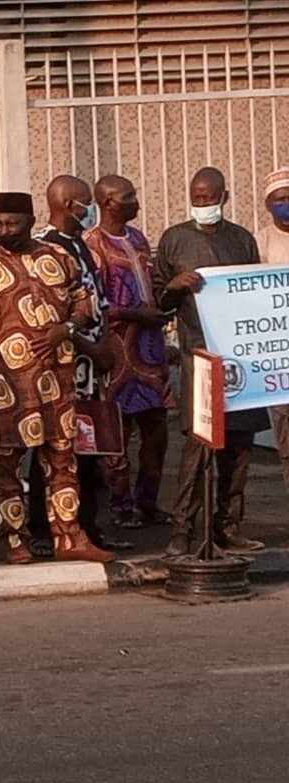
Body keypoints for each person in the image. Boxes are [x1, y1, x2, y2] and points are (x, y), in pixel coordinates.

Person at [0, 191, 114, 565]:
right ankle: (15, 540)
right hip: (4, 386)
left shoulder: (58, 257)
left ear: (30, 222)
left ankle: (68, 537)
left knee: (63, 462)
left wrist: (68, 328)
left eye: (11, 223)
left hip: (57, 383)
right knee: (5, 469)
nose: (3, 230)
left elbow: (84, 303)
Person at [154, 167, 267, 556]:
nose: (202, 204)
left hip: (240, 361)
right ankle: (183, 530)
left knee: (239, 448)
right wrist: (174, 286)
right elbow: (157, 303)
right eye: (196, 197)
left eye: (209, 197)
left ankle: (227, 526)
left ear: (224, 196)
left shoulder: (242, 240)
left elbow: (255, 296)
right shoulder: (174, 240)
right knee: (199, 447)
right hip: (198, 359)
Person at [29, 175, 121, 553]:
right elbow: (53, 317)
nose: (91, 209)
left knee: (88, 448)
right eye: (86, 202)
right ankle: (44, 529)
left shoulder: (77, 244)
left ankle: (85, 525)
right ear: (70, 205)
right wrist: (90, 346)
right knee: (56, 450)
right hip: (68, 366)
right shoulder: (49, 249)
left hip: (89, 368)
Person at [84, 175, 172, 529]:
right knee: (116, 432)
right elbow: (93, 307)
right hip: (116, 351)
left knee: (158, 426)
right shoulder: (93, 244)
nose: (135, 201)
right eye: (128, 196)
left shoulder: (137, 239)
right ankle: (120, 506)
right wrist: (137, 314)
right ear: (107, 203)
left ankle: (147, 503)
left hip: (149, 350)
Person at [257, 167, 289, 491]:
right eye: (279, 200)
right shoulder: (262, 241)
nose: (286, 204)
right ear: (268, 205)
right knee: (285, 423)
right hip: (278, 348)